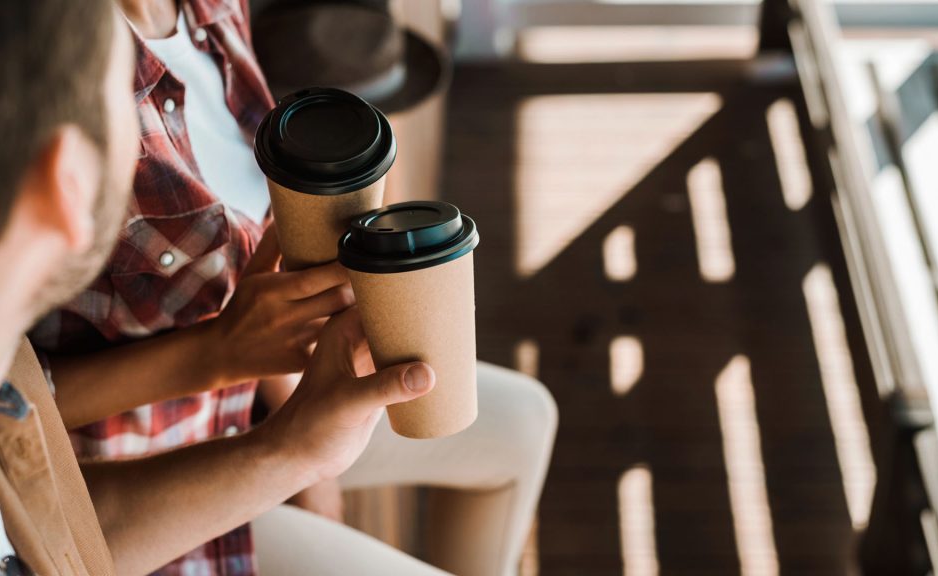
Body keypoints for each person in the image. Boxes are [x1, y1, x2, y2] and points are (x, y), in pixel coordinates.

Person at [27, 0, 558, 574]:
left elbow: (263, 269)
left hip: (247, 404)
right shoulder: (57, 74)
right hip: (129, 478)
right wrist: (232, 377)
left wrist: (302, 433)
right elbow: (5, 407)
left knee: (525, 419)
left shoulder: (215, 10)